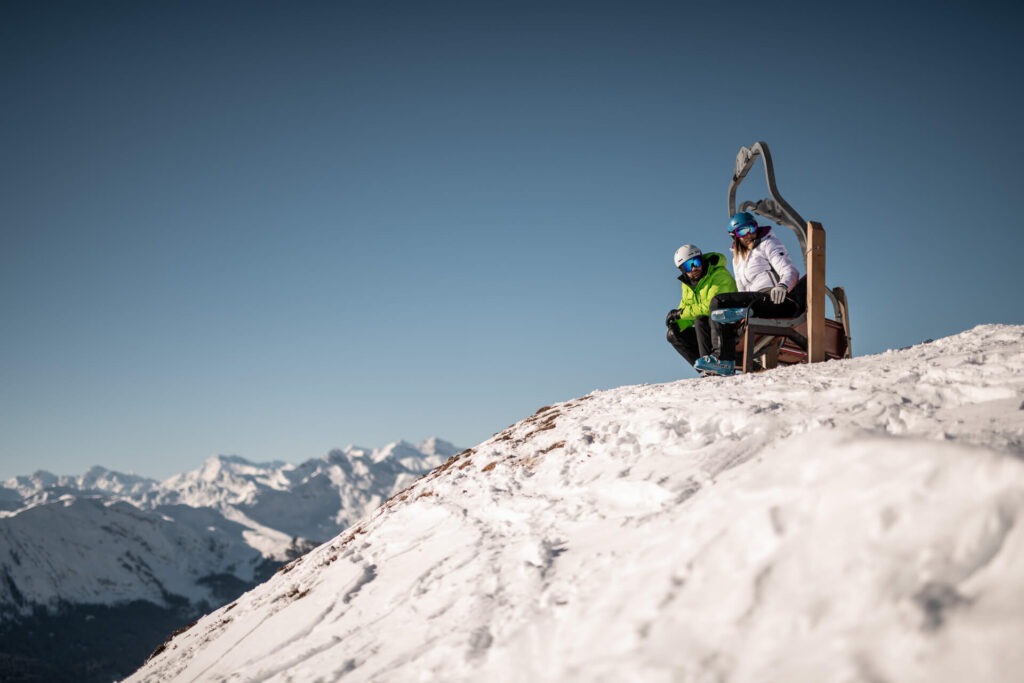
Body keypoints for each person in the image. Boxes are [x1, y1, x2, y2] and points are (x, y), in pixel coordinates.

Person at [693, 211, 803, 376]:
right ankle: (713, 366)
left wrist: (783, 286)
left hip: (776, 299)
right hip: (756, 302)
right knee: (703, 319)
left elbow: (790, 270)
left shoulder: (768, 244)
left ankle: (721, 359)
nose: (749, 234)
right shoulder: (738, 258)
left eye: (751, 228)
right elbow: (742, 291)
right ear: (734, 236)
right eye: (742, 231)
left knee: (718, 302)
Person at [666, 244, 737, 369]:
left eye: (696, 262)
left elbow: (712, 306)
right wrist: (677, 324)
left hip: (728, 321)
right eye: (689, 265)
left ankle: (713, 363)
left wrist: (680, 313)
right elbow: (687, 310)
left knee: (700, 320)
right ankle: (704, 367)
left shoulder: (719, 274)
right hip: (710, 326)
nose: (694, 268)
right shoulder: (688, 285)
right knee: (674, 334)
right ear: (682, 270)